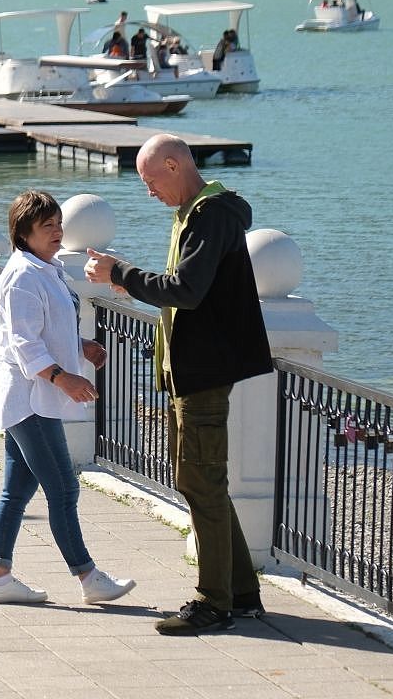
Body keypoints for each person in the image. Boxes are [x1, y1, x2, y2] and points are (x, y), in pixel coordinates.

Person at [83, 133, 272, 635]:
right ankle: (241, 593)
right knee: (200, 480)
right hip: (193, 371)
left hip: (204, 373)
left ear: (172, 165)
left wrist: (119, 271)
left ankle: (215, 603)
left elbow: (185, 291)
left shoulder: (209, 215)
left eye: (149, 181)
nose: (148, 192)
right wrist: (131, 282)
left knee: (200, 481)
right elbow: (191, 290)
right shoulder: (198, 214)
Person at [0, 189, 137, 608]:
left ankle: (0, 579)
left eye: (58, 224)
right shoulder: (22, 276)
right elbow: (22, 342)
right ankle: (88, 577)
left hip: (33, 398)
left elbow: (47, 326)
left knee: (16, 491)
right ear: (23, 233)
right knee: (64, 489)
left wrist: (81, 345)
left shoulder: (44, 269)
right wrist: (62, 377)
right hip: (30, 399)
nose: (57, 232)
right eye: (47, 226)